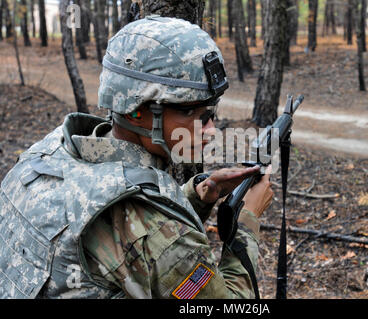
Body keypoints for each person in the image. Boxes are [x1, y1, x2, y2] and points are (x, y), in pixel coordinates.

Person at [0, 16, 273, 299]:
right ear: (135, 110)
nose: (210, 131)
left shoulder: (49, 154)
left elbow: (124, 238)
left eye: (211, 114)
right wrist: (246, 225)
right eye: (192, 113)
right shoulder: (159, 236)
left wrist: (199, 193)